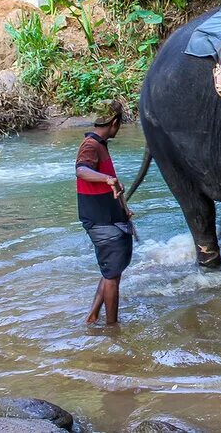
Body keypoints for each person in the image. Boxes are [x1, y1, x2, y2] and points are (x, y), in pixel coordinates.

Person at [75, 100, 133, 325]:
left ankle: (93, 316)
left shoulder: (99, 143)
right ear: (115, 122)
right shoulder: (91, 145)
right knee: (112, 276)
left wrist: (123, 209)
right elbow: (81, 170)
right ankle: (112, 328)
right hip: (101, 221)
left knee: (111, 270)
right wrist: (108, 179)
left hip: (109, 217)